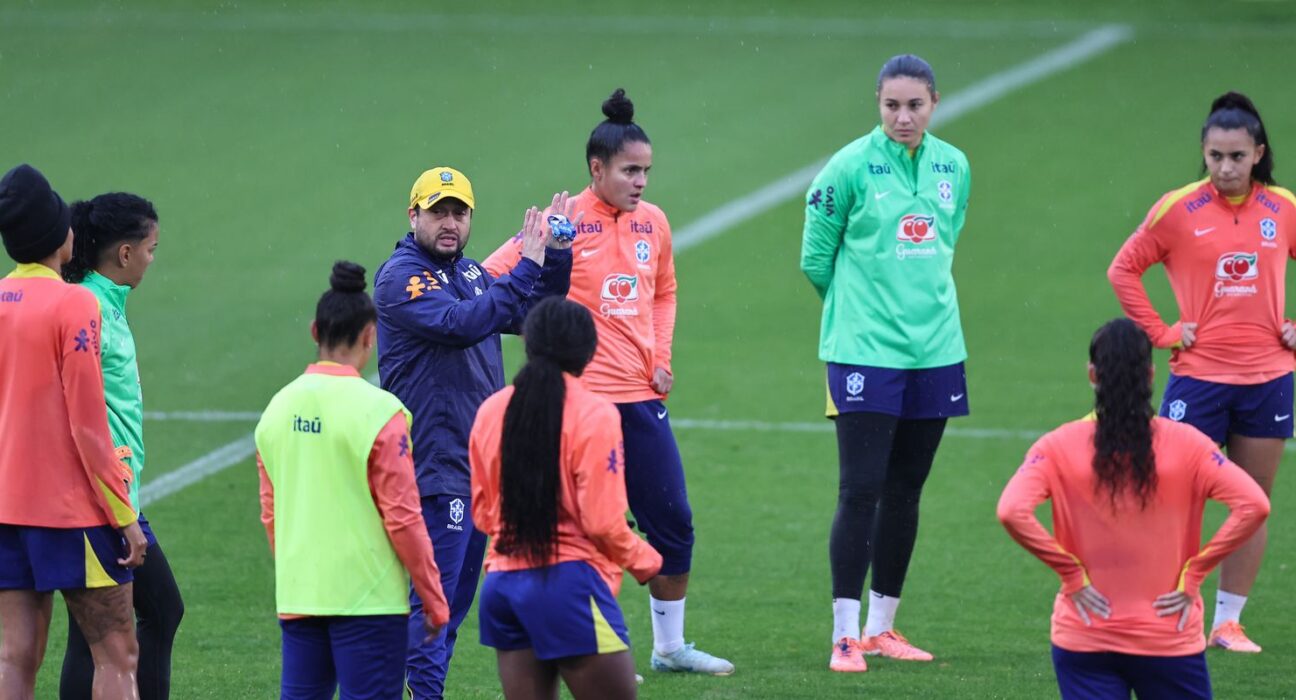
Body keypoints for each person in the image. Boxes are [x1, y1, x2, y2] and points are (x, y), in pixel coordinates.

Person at [485, 88, 734, 676]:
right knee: (577, 525)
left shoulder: (655, 223)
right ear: (596, 169)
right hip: (574, 404)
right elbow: (495, 274)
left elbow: (665, 292)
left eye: (646, 170)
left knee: (672, 519)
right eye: (630, 170)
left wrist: (661, 354)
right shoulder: (562, 222)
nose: (641, 181)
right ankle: (578, 641)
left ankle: (670, 647)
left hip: (641, 399)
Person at [374, 167, 574, 698]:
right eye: (438, 211)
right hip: (434, 464)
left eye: (459, 213)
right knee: (434, 601)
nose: (449, 223)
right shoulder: (402, 277)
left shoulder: (469, 275)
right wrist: (526, 263)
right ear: (412, 216)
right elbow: (464, 324)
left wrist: (554, 256)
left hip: (477, 466)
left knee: (452, 604)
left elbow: (537, 316)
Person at [798, 55, 971, 672]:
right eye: (892, 105)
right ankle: (844, 635)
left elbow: (944, 245)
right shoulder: (847, 167)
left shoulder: (955, 165)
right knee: (861, 488)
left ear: (934, 103)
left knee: (906, 492)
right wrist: (858, 312)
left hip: (937, 351)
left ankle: (882, 628)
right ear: (877, 102)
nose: (903, 116)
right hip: (863, 352)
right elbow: (816, 257)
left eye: (914, 105)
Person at [1107, 91, 1296, 653]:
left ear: (1258, 153)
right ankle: (1161, 611)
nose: (1225, 168)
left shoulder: (1283, 207)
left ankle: (1227, 622)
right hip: (1200, 379)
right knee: (1169, 497)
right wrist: (1164, 333)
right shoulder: (1177, 209)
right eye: (1215, 156)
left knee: (1251, 502)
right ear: (1204, 153)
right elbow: (1124, 270)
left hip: (1268, 378)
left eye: (1237, 156)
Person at [997, 318, 1270, 699]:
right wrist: (1195, 573)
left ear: (1092, 375)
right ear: (1151, 374)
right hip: (1169, 636)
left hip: (1084, 634)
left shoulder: (1057, 446)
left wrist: (1071, 574)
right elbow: (1254, 504)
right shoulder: (1189, 445)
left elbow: (1011, 510)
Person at [255, 261, 450, 700]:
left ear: (313, 331)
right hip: (370, 602)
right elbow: (403, 518)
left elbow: (272, 513)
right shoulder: (382, 413)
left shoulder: (276, 411)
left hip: (301, 594)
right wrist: (433, 596)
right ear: (370, 336)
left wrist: (299, 570)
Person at [0, 163, 147, 698]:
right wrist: (125, 516)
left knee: (16, 657)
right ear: (57, 235)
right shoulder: (74, 304)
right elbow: (88, 426)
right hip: (71, 512)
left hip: (7, 507)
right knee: (117, 653)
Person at [470, 297, 662, 700]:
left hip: (503, 587)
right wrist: (646, 559)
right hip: (568, 588)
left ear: (529, 344)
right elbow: (602, 522)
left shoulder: (490, 410)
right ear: (588, 351)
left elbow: (483, 513)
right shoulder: (594, 413)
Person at [58, 192, 182, 700]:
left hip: (114, 490)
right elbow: (78, 410)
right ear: (125, 253)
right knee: (155, 612)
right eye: (151, 248)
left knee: (93, 632)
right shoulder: (89, 308)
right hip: (102, 496)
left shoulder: (104, 301)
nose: (154, 258)